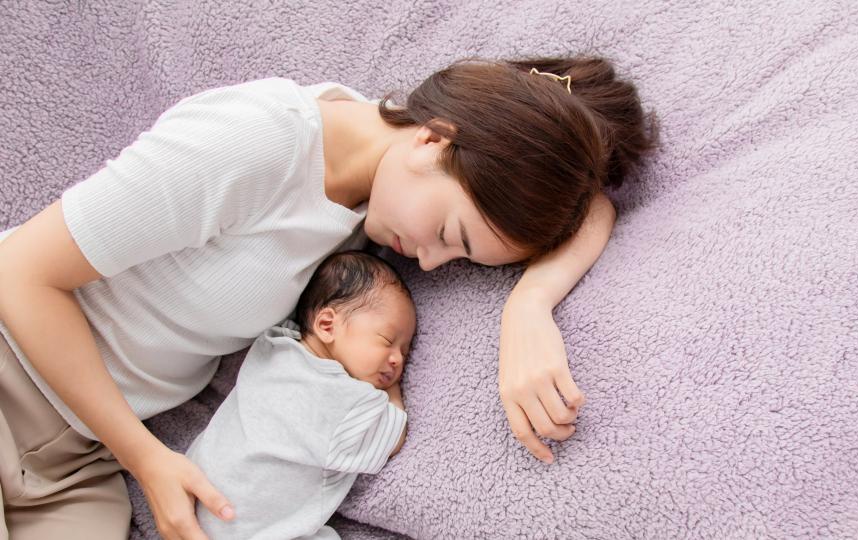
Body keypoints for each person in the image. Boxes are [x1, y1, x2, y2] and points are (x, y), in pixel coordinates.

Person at [0, 55, 657, 539]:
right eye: (449, 236)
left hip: (74, 461)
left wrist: (529, 308)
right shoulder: (261, 142)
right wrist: (146, 458)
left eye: (459, 257)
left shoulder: (382, 196)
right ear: (433, 138)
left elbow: (592, 202)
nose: (429, 260)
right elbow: (19, 272)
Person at [187, 250, 415, 539]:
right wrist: (391, 391)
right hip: (245, 527)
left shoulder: (274, 345)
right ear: (327, 325)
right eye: (387, 341)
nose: (398, 360)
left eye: (405, 352)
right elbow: (390, 438)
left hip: (196, 494)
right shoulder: (342, 399)